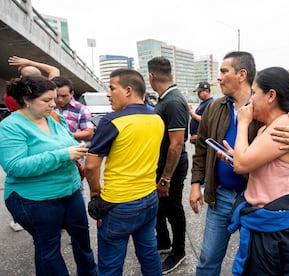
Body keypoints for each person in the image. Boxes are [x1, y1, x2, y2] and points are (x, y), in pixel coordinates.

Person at [190, 51, 289, 276]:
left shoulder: (277, 123)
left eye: (224, 71)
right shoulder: (217, 108)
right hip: (231, 199)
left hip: (271, 219)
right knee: (210, 257)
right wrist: (197, 182)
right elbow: (204, 149)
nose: (219, 78)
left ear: (242, 75)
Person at [0, 76, 96, 275]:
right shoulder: (10, 126)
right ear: (27, 100)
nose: (54, 103)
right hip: (34, 198)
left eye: (53, 98)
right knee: (48, 248)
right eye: (46, 100)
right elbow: (15, 166)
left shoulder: (53, 117)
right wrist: (63, 154)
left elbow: (67, 141)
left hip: (70, 191)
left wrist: (77, 149)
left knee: (82, 239)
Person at [227, 66, 289, 275]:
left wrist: (243, 122)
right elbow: (254, 171)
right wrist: (235, 155)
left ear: (271, 95)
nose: (250, 100)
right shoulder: (268, 127)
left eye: (255, 93)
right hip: (269, 225)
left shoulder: (283, 126)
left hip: (277, 231)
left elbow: (241, 165)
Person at [85, 68, 164, 276]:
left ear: (128, 90)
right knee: (149, 254)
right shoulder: (156, 118)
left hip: (119, 204)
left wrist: (95, 191)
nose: (108, 94)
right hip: (149, 198)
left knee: (110, 265)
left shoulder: (112, 121)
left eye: (112, 88)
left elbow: (91, 166)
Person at [5, 55, 61, 232]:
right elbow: (54, 70)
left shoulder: (11, 96)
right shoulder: (42, 94)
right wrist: (29, 63)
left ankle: (23, 216)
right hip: (41, 131)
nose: (51, 103)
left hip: (29, 137)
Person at [147, 56, 189, 274]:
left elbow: (176, 144)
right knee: (161, 208)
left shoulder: (173, 101)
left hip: (171, 167)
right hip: (163, 165)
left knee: (173, 208)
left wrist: (165, 178)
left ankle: (179, 250)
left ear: (151, 76)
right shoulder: (164, 99)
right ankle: (163, 241)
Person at [52, 76, 94, 141]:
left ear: (71, 93)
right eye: (56, 96)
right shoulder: (46, 107)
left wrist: (66, 136)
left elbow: (88, 133)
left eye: (64, 96)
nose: (60, 99)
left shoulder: (81, 109)